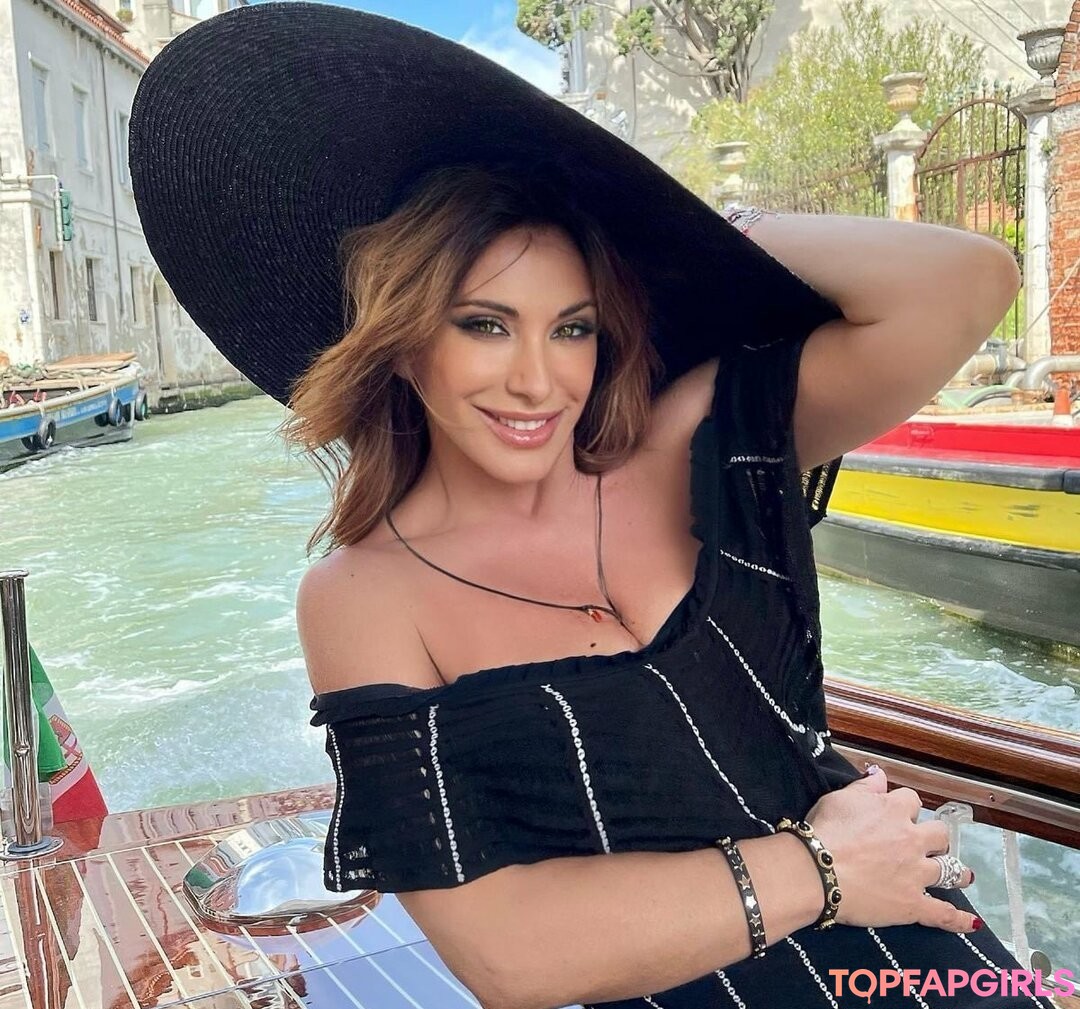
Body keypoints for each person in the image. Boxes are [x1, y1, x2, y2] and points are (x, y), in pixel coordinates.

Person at [127, 6, 1050, 1009]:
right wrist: (822, 869)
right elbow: (505, 954)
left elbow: (964, 283)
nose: (538, 380)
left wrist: (687, 226)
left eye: (571, 328)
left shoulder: (695, 441)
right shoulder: (363, 597)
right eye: (485, 324)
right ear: (401, 337)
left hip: (925, 958)